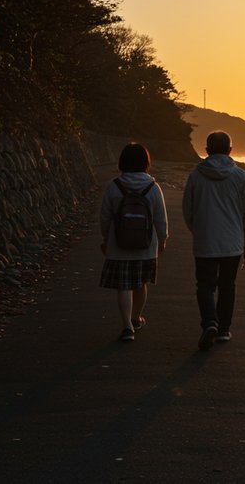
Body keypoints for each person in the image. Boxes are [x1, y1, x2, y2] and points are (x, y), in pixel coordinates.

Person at [182, 130, 245, 350]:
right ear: (230, 150)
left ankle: (210, 323)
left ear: (206, 151)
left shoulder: (196, 175)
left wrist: (198, 231)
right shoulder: (240, 175)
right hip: (232, 242)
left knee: (204, 285)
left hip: (205, 241)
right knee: (227, 286)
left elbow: (188, 210)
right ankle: (223, 330)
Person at [99, 143, 168, 342]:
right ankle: (136, 317)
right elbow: (160, 219)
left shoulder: (113, 186)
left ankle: (127, 325)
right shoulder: (153, 187)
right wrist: (162, 240)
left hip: (118, 244)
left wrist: (106, 238)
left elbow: (104, 217)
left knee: (124, 285)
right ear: (146, 163)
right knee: (140, 283)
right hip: (146, 245)